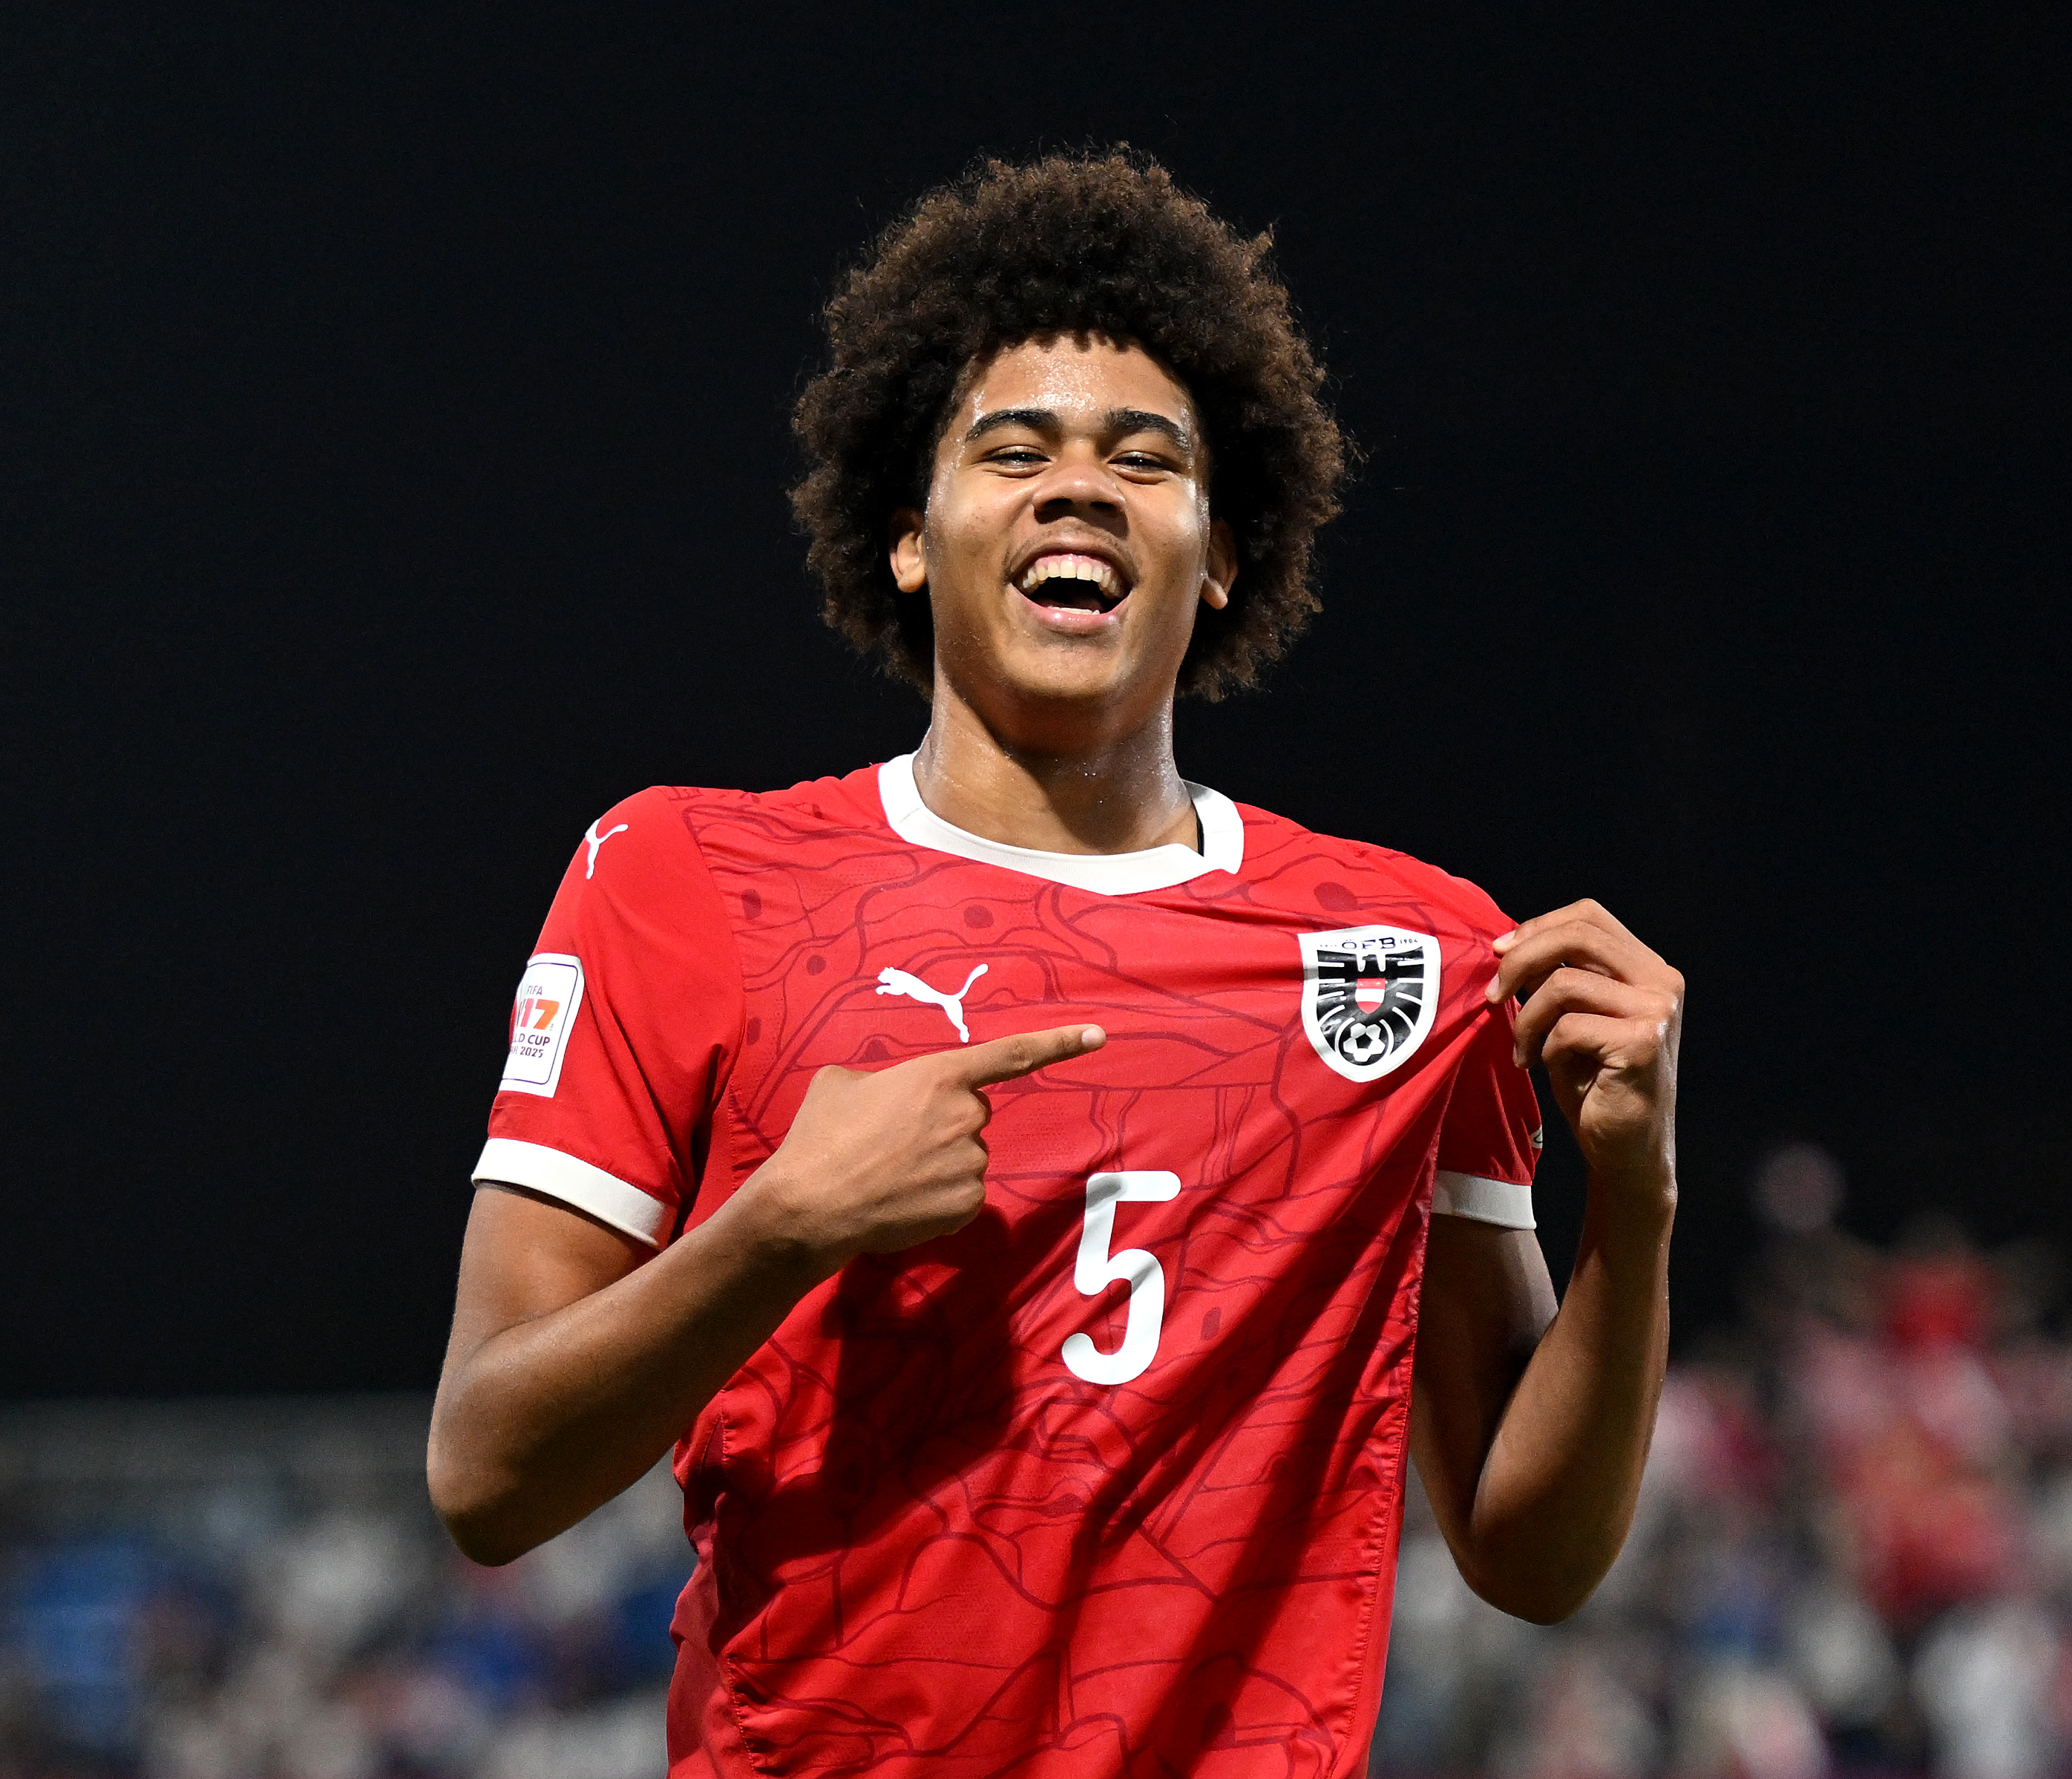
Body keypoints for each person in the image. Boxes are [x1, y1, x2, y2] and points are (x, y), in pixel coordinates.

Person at [426, 152, 1684, 1776]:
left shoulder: (1405, 957)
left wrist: (1637, 1209)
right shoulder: (683, 879)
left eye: (1143, 458)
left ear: (1219, 552)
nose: (1075, 485)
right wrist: (780, 1224)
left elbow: (1530, 1552)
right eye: (1010, 447)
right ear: (906, 534)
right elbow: (483, 1473)